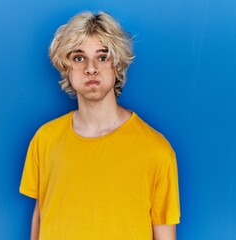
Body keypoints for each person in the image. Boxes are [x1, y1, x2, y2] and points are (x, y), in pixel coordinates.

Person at [20, 11, 180, 240]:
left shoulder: (157, 151)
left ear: (118, 65)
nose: (91, 68)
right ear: (66, 68)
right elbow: (40, 215)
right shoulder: (44, 139)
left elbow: (164, 234)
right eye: (79, 57)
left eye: (102, 57)